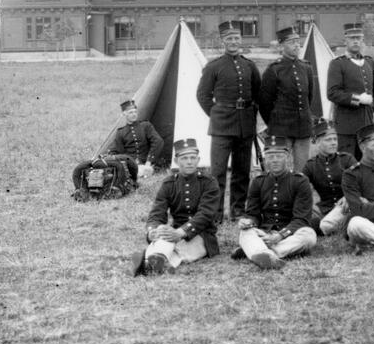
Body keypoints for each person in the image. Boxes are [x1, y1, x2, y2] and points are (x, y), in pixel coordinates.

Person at [196, 20, 261, 222]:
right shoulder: (213, 66)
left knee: (242, 171)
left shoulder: (249, 65)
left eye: (236, 38)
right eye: (229, 38)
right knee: (218, 172)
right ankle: (215, 213)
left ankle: (237, 210)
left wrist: (250, 115)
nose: (234, 42)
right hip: (222, 126)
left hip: (245, 126)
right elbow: (203, 95)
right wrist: (217, 114)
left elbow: (257, 94)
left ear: (241, 40)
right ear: (222, 41)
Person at [133, 138, 221, 276]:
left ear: (198, 160)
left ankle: (149, 262)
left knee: (180, 249)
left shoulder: (209, 182)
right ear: (176, 161)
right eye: (184, 158)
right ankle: (156, 263)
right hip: (174, 233)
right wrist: (153, 231)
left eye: (193, 158)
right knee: (164, 234)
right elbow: (157, 213)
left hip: (202, 235)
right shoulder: (169, 183)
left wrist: (181, 232)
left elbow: (205, 215)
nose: (189, 162)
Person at [235, 136, 318, 270]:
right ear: (265, 159)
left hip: (291, 233)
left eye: (279, 156)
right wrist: (248, 221)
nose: (274, 160)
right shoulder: (258, 181)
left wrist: (280, 235)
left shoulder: (300, 181)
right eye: (270, 156)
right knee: (245, 232)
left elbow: (302, 219)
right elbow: (253, 214)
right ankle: (262, 253)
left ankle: (262, 252)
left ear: (287, 157)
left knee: (309, 236)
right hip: (265, 232)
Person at [259, 26, 317, 170]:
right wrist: (274, 123)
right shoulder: (274, 70)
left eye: (298, 41)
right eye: (291, 42)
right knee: (279, 169)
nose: (296, 45)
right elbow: (265, 103)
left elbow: (309, 97)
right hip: (281, 129)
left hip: (303, 128)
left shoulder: (306, 67)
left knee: (302, 171)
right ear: (281, 46)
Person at [326, 22, 374, 160]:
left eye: (358, 38)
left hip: (368, 123)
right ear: (345, 41)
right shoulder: (337, 64)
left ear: (362, 40)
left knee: (369, 162)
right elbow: (332, 93)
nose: (355, 41)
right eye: (352, 38)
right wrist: (357, 99)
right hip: (347, 126)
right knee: (347, 164)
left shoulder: (369, 62)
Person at [301, 120, 355, 235]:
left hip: (346, 206)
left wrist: (348, 196)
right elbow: (299, 186)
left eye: (335, 139)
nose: (333, 143)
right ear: (318, 142)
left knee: (325, 224)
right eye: (328, 140)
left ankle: (329, 226)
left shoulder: (347, 159)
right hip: (324, 208)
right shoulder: (311, 165)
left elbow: (363, 180)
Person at [105, 99, 166, 186]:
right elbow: (118, 151)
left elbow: (158, 142)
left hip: (146, 163)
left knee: (145, 171)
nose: (134, 114)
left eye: (135, 112)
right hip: (131, 164)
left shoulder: (145, 126)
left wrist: (149, 162)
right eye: (130, 112)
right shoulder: (121, 132)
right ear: (124, 114)